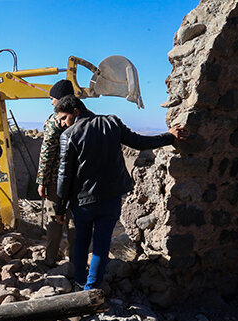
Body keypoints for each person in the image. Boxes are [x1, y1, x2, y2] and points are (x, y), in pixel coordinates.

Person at [54, 95, 187, 291]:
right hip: (111, 197)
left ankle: (80, 283)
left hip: (82, 202)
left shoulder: (69, 135)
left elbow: (64, 174)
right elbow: (140, 142)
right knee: (101, 245)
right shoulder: (112, 122)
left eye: (64, 118)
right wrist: (169, 136)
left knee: (82, 241)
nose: (63, 124)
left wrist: (60, 206)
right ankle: (92, 288)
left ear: (76, 112)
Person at [36, 80, 90, 266]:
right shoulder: (85, 118)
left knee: (54, 219)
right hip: (79, 179)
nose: (51, 103)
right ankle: (75, 260)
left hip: (56, 180)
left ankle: (50, 259)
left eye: (52, 98)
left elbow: (47, 151)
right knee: (74, 220)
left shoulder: (54, 120)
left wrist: (41, 180)